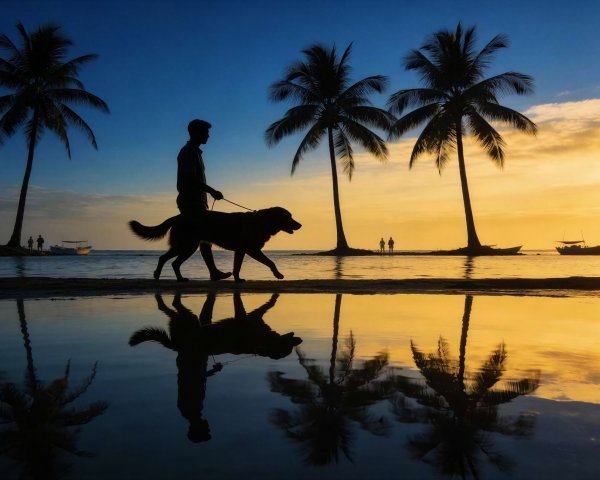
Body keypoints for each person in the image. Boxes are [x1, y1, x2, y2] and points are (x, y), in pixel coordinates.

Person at [177, 119, 231, 281]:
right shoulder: (188, 152)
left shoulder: (194, 152)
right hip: (191, 201)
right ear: (197, 133)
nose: (208, 136)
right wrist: (212, 191)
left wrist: (209, 193)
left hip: (197, 200)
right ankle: (212, 272)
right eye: (206, 133)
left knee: (205, 235)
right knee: (202, 236)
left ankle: (213, 271)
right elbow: (191, 180)